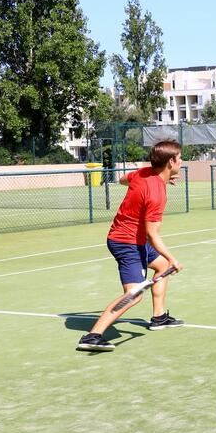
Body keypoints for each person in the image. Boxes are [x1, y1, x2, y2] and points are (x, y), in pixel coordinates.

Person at [76, 140, 186, 352]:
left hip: (137, 240)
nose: (181, 161)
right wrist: (173, 258)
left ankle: (159, 317)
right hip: (126, 242)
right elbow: (153, 234)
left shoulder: (143, 174)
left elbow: (123, 179)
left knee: (162, 267)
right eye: (179, 158)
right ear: (171, 161)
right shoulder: (156, 194)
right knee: (134, 294)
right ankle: (92, 336)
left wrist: (161, 181)